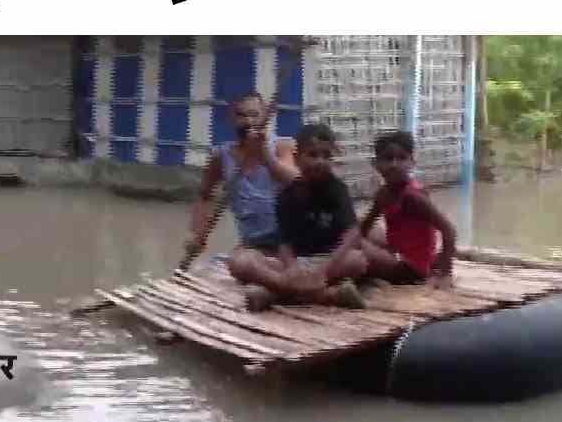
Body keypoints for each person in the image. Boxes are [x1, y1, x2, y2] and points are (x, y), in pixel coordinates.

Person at [185, 92, 303, 307]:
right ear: (232, 119)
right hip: (257, 244)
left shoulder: (282, 146)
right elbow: (203, 196)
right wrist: (198, 234)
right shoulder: (221, 156)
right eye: (241, 116)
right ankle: (285, 286)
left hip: (292, 238)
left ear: (265, 117)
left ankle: (279, 287)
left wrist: (265, 156)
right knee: (237, 263)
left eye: (254, 115)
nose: (248, 122)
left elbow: (296, 181)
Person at [247, 122, 369, 311]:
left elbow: (353, 233)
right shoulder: (286, 196)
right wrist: (291, 269)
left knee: (358, 260)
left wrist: (326, 267)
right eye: (312, 155)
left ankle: (274, 294)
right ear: (296, 158)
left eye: (326, 155)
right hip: (298, 262)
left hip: (329, 260)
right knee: (243, 262)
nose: (320, 161)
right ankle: (330, 295)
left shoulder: (337, 190)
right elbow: (284, 242)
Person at [327, 130, 458, 289]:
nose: (395, 165)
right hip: (397, 252)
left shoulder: (413, 197)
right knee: (355, 231)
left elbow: (448, 229)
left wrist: (446, 274)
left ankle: (324, 271)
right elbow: (364, 226)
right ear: (376, 164)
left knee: (355, 246)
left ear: (412, 163)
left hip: (412, 268)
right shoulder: (384, 193)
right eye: (388, 159)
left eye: (402, 158)